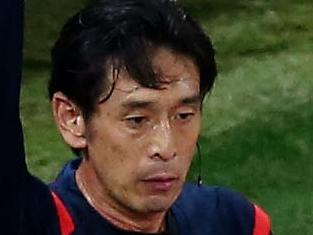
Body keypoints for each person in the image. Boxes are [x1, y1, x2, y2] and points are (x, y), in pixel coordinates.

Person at [1, 0, 272, 234]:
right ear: (72, 118)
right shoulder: (33, 225)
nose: (165, 148)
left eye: (184, 115)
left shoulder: (234, 222)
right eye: (137, 120)